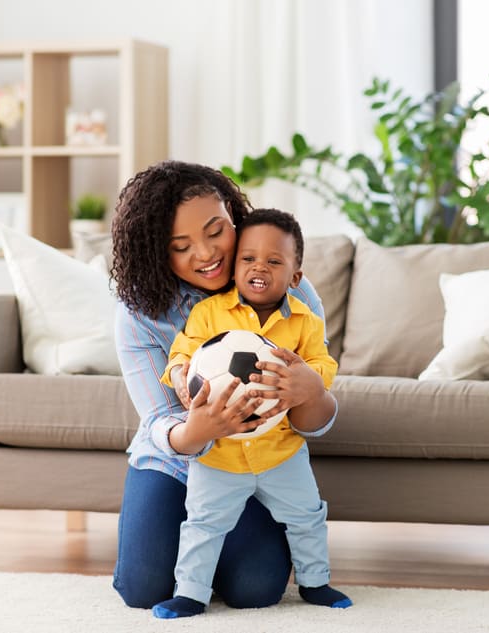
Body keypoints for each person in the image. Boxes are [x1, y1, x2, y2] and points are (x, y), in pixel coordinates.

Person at [110, 161, 339, 612]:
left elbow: (317, 419)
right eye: (181, 246)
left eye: (216, 231)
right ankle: (184, 548)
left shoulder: (286, 287)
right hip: (175, 459)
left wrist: (307, 390)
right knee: (141, 589)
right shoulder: (137, 313)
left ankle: (218, 550)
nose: (206, 254)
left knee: (255, 589)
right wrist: (200, 428)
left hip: (252, 460)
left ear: (235, 217)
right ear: (158, 253)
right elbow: (159, 420)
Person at [152, 208, 351, 619]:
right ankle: (190, 592)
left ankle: (316, 582)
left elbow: (323, 365)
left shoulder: (305, 322)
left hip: (282, 451)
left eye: (274, 261)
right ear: (235, 266)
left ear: (295, 277)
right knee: (203, 523)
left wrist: (307, 380)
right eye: (248, 258)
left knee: (307, 517)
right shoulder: (209, 315)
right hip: (219, 454)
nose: (259, 266)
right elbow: (182, 352)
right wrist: (178, 375)